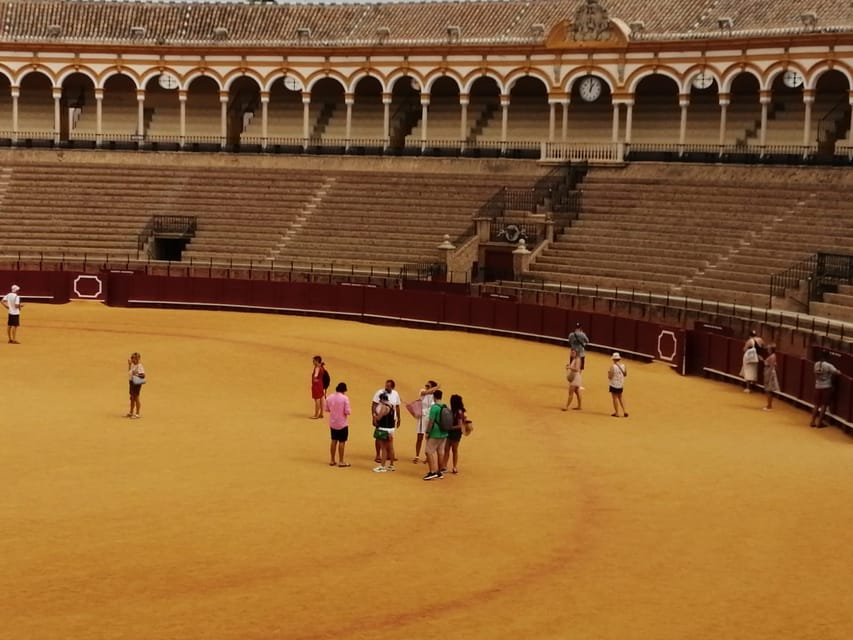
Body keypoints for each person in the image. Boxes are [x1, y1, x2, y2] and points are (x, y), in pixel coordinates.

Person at [372, 379, 401, 464]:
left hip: (391, 419)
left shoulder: (395, 394)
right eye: (386, 385)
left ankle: (389, 456)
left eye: (388, 386)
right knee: (378, 437)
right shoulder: (379, 392)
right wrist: (373, 417)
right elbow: (374, 404)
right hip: (381, 420)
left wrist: (399, 418)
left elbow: (398, 406)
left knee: (388, 439)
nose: (386, 387)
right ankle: (378, 455)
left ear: (392, 387)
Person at [810, 351, 840, 428]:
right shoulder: (828, 365)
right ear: (827, 357)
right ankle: (819, 423)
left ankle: (812, 421)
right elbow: (837, 373)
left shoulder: (816, 364)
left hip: (817, 386)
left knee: (816, 404)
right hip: (826, 387)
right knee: (824, 405)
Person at [423, 389, 448, 480]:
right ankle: (439, 472)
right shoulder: (445, 406)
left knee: (428, 451)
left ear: (434, 397)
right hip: (444, 433)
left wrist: (427, 432)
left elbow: (431, 421)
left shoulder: (434, 408)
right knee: (440, 452)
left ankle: (432, 472)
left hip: (435, 433)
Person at [441, 393, 469, 475]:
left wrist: (450, 428)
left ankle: (454, 467)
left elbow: (460, 425)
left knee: (454, 450)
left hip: (455, 433)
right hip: (451, 432)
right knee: (446, 449)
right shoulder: (454, 411)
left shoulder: (458, 412)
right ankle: (444, 466)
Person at [326, 382, 351, 467]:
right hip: (342, 423)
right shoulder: (345, 398)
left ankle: (332, 460)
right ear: (344, 390)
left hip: (333, 423)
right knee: (342, 441)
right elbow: (347, 411)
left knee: (333, 440)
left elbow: (327, 409)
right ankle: (341, 461)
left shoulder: (329, 397)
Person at [414, 380, 439, 464]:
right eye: (426, 385)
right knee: (419, 437)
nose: (426, 387)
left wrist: (435, 389)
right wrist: (436, 387)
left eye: (428, 386)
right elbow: (426, 392)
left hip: (430, 418)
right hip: (422, 417)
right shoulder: (422, 391)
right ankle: (417, 456)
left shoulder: (434, 395)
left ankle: (428, 456)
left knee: (428, 438)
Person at [372, 392, 397, 472]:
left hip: (384, 429)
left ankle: (382, 466)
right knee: (391, 447)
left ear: (382, 399)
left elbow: (379, 418)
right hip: (391, 429)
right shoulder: (392, 406)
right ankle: (391, 465)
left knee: (384, 448)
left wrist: (374, 416)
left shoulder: (384, 407)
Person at [608, 352, 628, 418]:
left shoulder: (612, 366)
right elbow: (625, 374)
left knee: (615, 398)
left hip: (614, 384)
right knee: (621, 397)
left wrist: (608, 373)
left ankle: (617, 412)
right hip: (620, 384)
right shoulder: (623, 366)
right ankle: (625, 411)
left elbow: (610, 376)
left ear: (613, 359)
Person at [127, 352, 145, 419]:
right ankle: (131, 412)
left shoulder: (139, 366)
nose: (132, 359)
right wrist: (129, 365)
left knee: (136, 397)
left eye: (133, 358)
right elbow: (130, 372)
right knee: (132, 398)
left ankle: (137, 413)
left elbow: (143, 375)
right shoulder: (133, 365)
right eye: (132, 358)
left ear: (137, 359)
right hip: (131, 382)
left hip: (136, 383)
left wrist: (136, 374)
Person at [762, 344, 780, 411]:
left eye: (769, 349)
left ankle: (769, 406)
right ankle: (769, 405)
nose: (768, 350)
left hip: (769, 373)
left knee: (769, 390)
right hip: (769, 372)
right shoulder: (772, 356)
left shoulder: (772, 356)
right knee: (768, 390)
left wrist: (768, 376)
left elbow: (771, 366)